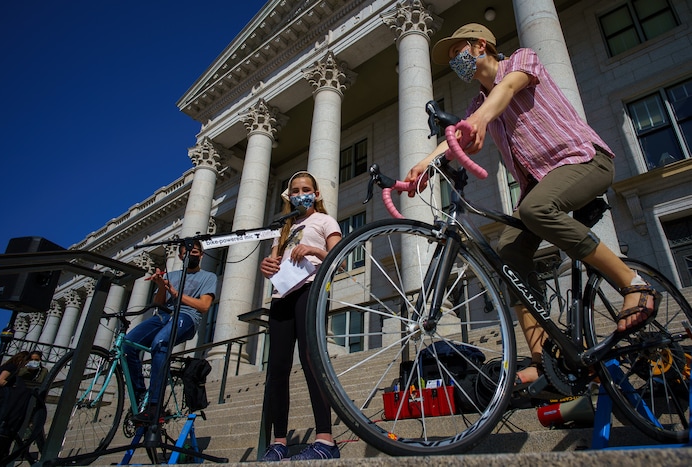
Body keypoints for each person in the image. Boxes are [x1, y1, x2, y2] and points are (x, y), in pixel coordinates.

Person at [405, 23, 660, 386]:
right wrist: (425, 163)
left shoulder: (521, 60)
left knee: (534, 209)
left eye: (457, 52)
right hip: (542, 187)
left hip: (584, 161)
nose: (455, 63)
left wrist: (480, 120)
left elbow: (507, 90)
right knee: (508, 249)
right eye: (451, 59)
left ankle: (635, 285)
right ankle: (546, 362)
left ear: (480, 45)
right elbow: (460, 131)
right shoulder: (477, 103)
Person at [258, 171, 342, 461]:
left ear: (316, 194)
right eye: (295, 190)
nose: (301, 193)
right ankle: (278, 442)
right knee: (277, 368)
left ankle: (325, 440)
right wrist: (267, 266)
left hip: (311, 289)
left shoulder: (324, 221)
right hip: (281, 296)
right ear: (288, 196)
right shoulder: (283, 228)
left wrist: (314, 249)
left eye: (306, 189)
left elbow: (339, 259)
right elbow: (274, 261)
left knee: (310, 358)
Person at [125, 240, 217, 423]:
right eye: (187, 252)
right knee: (127, 345)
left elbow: (204, 306)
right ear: (181, 256)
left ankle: (155, 405)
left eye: (196, 252)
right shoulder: (172, 275)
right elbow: (158, 304)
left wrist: (176, 294)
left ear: (202, 255)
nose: (191, 255)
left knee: (160, 343)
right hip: (162, 317)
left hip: (187, 317)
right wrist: (161, 285)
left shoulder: (208, 277)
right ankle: (140, 396)